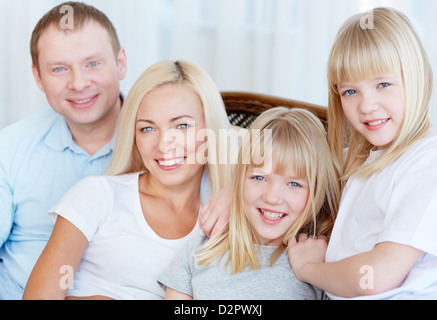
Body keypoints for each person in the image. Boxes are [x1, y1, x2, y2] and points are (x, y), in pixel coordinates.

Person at [23, 59, 235, 300]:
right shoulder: (97, 195)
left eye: (182, 125)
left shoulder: (232, 215)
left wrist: (236, 191)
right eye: (147, 128)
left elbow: (279, 142)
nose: (164, 144)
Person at [288, 7, 437, 299]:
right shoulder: (356, 159)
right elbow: (280, 171)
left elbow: (376, 277)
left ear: (419, 79)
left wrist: (308, 269)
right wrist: (231, 194)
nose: (366, 106)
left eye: (383, 84)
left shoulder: (427, 159)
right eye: (350, 92)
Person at [0, 1, 127, 300]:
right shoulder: (11, 145)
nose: (79, 83)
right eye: (59, 69)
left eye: (92, 63)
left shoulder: (168, 148)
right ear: (38, 77)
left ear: (120, 63)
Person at [159, 107, 341, 300]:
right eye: (259, 178)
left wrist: (313, 269)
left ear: (317, 191)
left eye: (294, 183)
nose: (272, 197)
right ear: (238, 181)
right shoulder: (198, 253)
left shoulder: (321, 262)